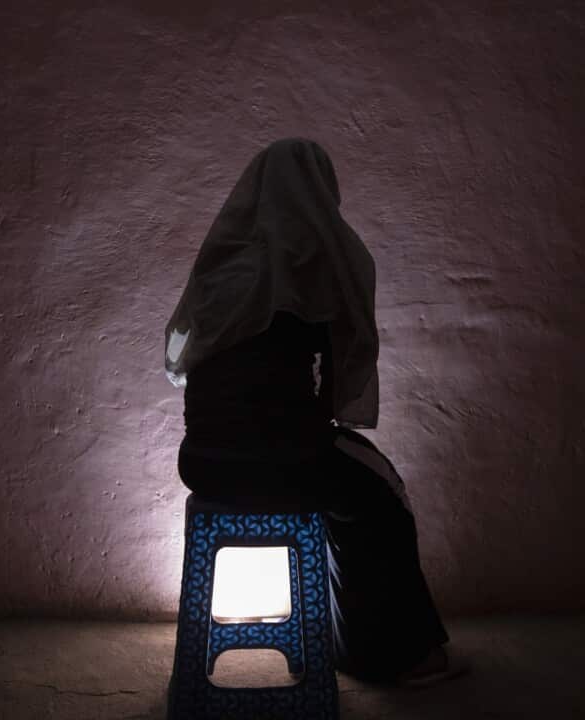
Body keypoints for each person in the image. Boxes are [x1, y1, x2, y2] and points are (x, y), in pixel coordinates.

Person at [163, 138, 467, 687]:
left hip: (202, 463)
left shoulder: (221, 265)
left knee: (357, 483)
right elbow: (330, 392)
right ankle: (391, 656)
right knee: (379, 498)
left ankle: (360, 644)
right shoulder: (312, 265)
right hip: (285, 463)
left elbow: (192, 363)